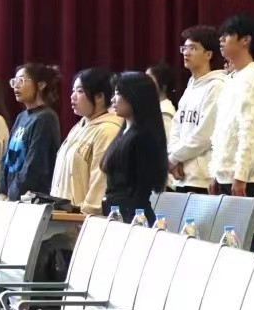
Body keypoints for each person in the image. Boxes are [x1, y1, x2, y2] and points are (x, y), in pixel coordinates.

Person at [210, 13, 254, 198]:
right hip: (225, 174)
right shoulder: (233, 77)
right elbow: (222, 130)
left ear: (246, 40)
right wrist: (215, 172)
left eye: (228, 35)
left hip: (247, 178)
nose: (221, 40)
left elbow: (251, 130)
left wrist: (241, 175)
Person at [101, 72, 170, 223]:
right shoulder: (124, 131)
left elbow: (139, 191)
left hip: (133, 218)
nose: (112, 99)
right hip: (117, 212)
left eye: (118, 93)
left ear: (135, 96)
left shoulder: (144, 137)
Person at [51, 69, 124, 212]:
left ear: (99, 97)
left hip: (82, 218)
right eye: (73, 91)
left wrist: (87, 211)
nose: (72, 96)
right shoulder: (79, 126)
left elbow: (100, 181)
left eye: (80, 91)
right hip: (62, 215)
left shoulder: (108, 130)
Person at [168, 26, 225, 193]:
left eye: (192, 48)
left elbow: (204, 135)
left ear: (208, 54)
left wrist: (173, 158)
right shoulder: (190, 86)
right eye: (184, 48)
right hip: (181, 175)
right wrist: (174, 158)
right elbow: (176, 127)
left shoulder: (217, 86)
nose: (186, 53)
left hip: (202, 179)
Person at [2, 63, 61, 200]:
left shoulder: (45, 118)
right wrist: (2, 191)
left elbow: (34, 165)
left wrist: (13, 195)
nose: (16, 86)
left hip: (29, 198)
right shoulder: (21, 117)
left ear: (41, 85)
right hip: (11, 197)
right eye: (14, 81)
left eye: (21, 80)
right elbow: (7, 159)